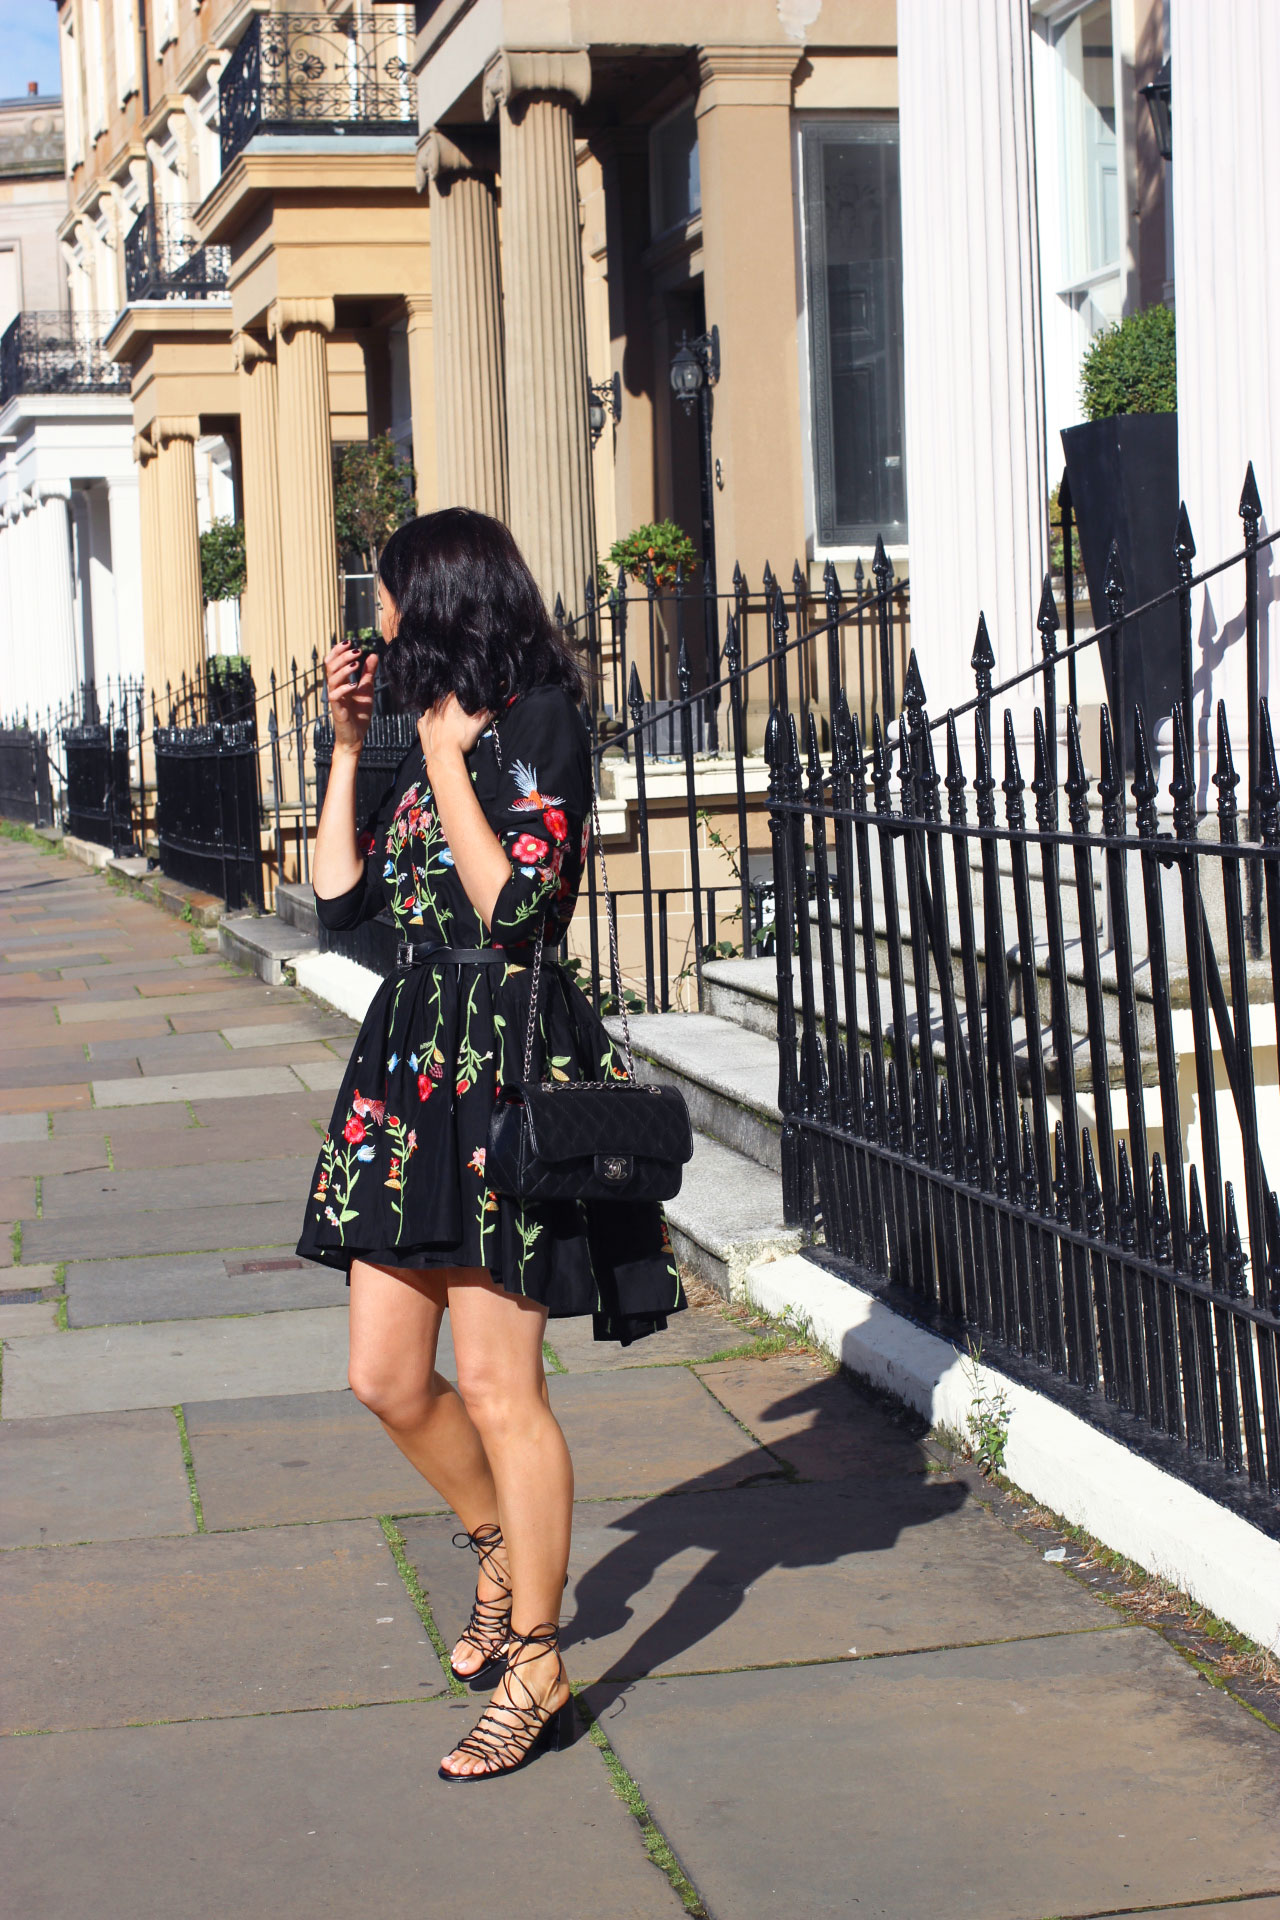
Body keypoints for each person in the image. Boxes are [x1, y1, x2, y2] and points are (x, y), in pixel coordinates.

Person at [298, 508, 684, 1782]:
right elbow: (342, 902)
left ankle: (536, 1659)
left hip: (503, 1066)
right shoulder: (422, 728)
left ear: (450, 595)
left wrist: (454, 763)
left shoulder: (539, 727)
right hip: (408, 1069)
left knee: (503, 1385)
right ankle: (496, 1550)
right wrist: (356, 747)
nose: (380, 617)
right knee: (384, 1375)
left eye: (394, 594)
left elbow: (518, 909)